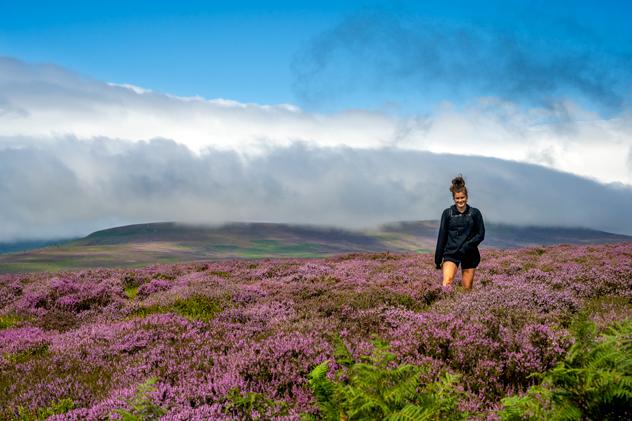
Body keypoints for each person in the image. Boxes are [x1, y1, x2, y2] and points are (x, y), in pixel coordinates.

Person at [434, 175, 485, 289]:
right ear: (454, 199)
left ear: (466, 197)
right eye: (457, 198)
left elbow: (480, 234)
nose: (460, 200)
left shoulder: (475, 213)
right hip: (451, 253)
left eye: (462, 197)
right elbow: (442, 236)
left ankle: (465, 306)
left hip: (470, 254)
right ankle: (446, 306)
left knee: (467, 288)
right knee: (447, 282)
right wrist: (438, 260)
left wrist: (466, 247)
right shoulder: (447, 213)